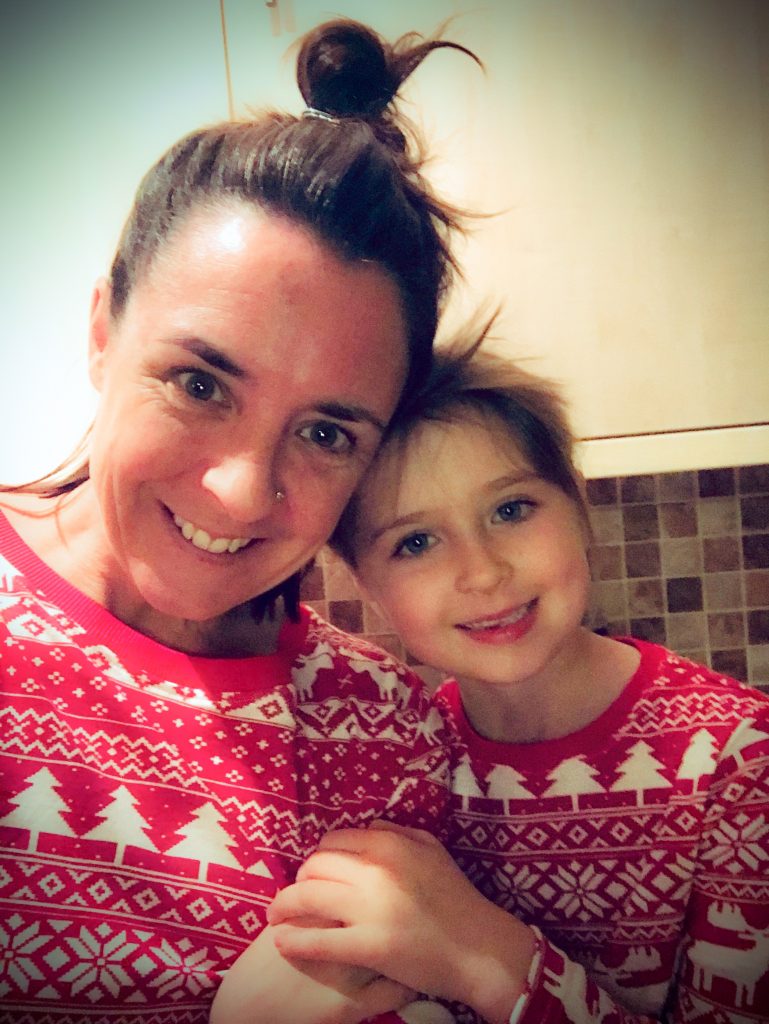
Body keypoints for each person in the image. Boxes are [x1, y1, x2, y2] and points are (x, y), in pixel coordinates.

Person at [0, 18, 482, 1023]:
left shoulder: (387, 726)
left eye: (327, 433)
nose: (237, 490)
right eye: (200, 382)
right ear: (102, 333)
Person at [265, 332, 769, 1023]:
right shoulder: (400, 759)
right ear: (367, 583)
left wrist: (482, 953)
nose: (482, 572)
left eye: (510, 510)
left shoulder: (738, 759)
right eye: (414, 542)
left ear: (575, 503)